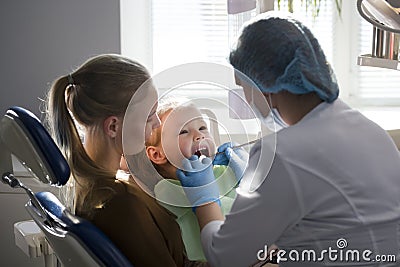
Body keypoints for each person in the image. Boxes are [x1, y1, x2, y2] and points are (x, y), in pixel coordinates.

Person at [175, 12, 400, 267]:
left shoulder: (280, 153)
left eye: (244, 87)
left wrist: (204, 198)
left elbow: (226, 258)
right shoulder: (369, 130)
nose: (247, 99)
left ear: (265, 85)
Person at [45, 54, 203, 267]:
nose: (157, 123)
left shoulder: (91, 183)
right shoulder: (119, 203)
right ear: (113, 127)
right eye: (149, 116)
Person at [144, 97, 245, 262]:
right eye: (183, 131)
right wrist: (201, 197)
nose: (199, 135)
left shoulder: (226, 170)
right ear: (157, 154)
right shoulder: (165, 190)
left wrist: (250, 175)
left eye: (202, 127)